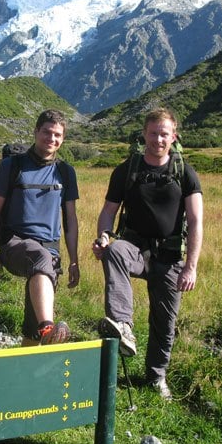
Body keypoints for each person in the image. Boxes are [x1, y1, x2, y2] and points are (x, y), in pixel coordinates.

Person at [91, 107, 203, 400]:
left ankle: (156, 377)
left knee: (164, 321)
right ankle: (123, 325)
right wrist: (104, 236)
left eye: (164, 134)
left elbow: (196, 221)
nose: (157, 139)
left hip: (169, 257)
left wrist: (191, 267)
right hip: (135, 249)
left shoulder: (185, 173)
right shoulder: (128, 169)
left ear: (173, 136)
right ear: (144, 134)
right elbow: (108, 212)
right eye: (152, 133)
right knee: (114, 251)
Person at [0, 110, 79, 346]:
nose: (52, 138)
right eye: (47, 132)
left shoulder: (66, 172)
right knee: (39, 258)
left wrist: (74, 261)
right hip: (15, 244)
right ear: (36, 132)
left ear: (63, 139)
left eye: (57, 134)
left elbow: (70, 219)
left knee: (32, 331)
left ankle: (26, 374)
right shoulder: (12, 165)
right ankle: (49, 327)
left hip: (51, 252)